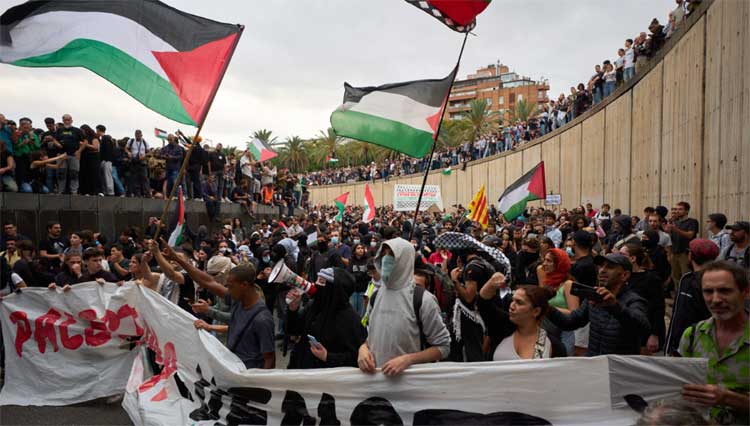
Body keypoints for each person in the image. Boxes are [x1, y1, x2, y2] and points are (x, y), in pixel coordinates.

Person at [166, 243, 276, 369]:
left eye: (230, 286)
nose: (227, 290)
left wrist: (257, 382)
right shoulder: (238, 300)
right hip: (233, 368)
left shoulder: (262, 319)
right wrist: (177, 259)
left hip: (248, 375)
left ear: (244, 285)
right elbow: (207, 281)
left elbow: (270, 359)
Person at [358, 238, 450, 375]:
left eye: (392, 254)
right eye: (383, 254)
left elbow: (443, 347)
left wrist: (409, 359)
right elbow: (373, 337)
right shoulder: (375, 296)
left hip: (409, 384)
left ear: (405, 260)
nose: (386, 259)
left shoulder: (423, 299)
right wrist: (363, 349)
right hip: (376, 382)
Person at [679, 261, 749, 425]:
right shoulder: (692, 335)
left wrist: (729, 398)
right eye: (708, 291)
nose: (716, 299)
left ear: (746, 292)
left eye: (725, 291)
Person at [546, 253, 651, 355]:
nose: (602, 270)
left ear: (624, 275)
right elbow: (571, 322)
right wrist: (545, 307)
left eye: (610, 267)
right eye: (600, 266)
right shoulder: (594, 296)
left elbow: (643, 328)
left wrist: (614, 306)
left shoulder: (633, 300)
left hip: (619, 364)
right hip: (595, 362)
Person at [286, 267, 367, 369]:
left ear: (335, 290)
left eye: (321, 282)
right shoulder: (314, 306)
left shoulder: (350, 319)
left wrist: (328, 357)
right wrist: (293, 309)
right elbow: (293, 330)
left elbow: (355, 358)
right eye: (317, 280)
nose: (315, 284)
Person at [478, 274, 566, 360]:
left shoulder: (553, 345)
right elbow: (483, 303)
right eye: (512, 300)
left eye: (519, 303)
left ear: (536, 311)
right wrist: (492, 283)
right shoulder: (502, 327)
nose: (511, 306)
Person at [664, 238, 717, 355]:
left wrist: (670, 348)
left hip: (688, 344)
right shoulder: (718, 281)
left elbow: (679, 318)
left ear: (690, 256)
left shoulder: (688, 280)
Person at [619, 243, 664, 354]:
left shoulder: (651, 279)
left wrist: (654, 334)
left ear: (632, 258)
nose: (618, 257)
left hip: (644, 332)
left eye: (622, 254)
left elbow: (658, 308)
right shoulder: (623, 277)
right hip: (626, 330)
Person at [665, 201, 699, 285]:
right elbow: (671, 237)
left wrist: (675, 229)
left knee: (686, 276)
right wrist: (667, 230)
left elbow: (690, 235)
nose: (677, 211)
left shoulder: (692, 221)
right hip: (674, 253)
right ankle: (677, 292)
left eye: (680, 209)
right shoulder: (675, 222)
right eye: (676, 209)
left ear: (687, 211)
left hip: (685, 253)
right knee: (675, 276)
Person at [55, 114, 84, 194]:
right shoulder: (59, 130)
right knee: (61, 173)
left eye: (68, 120)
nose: (67, 121)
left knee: (74, 174)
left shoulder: (77, 130)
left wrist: (79, 151)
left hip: (73, 155)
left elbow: (85, 141)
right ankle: (61, 191)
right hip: (61, 155)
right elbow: (55, 139)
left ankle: (74, 191)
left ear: (71, 120)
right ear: (63, 121)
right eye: (65, 120)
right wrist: (57, 144)